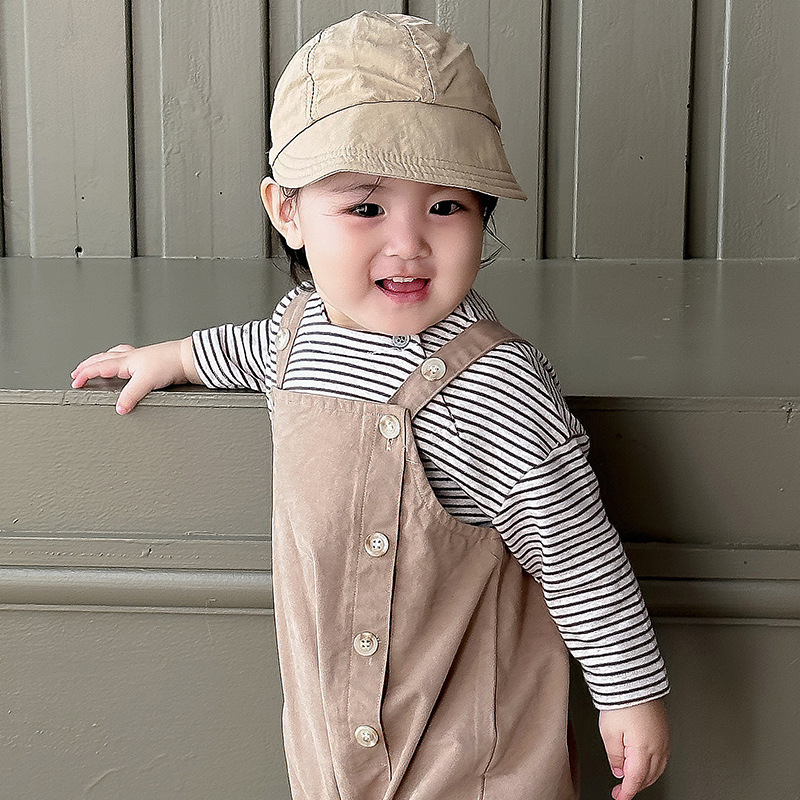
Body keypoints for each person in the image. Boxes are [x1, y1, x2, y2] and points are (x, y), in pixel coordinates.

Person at [71, 12, 669, 800]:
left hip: (469, 753)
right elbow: (254, 351)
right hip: (334, 739)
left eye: (445, 207)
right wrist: (173, 358)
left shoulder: (496, 386)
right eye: (366, 208)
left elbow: (578, 554)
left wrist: (628, 694)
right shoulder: (300, 332)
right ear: (287, 211)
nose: (409, 243)